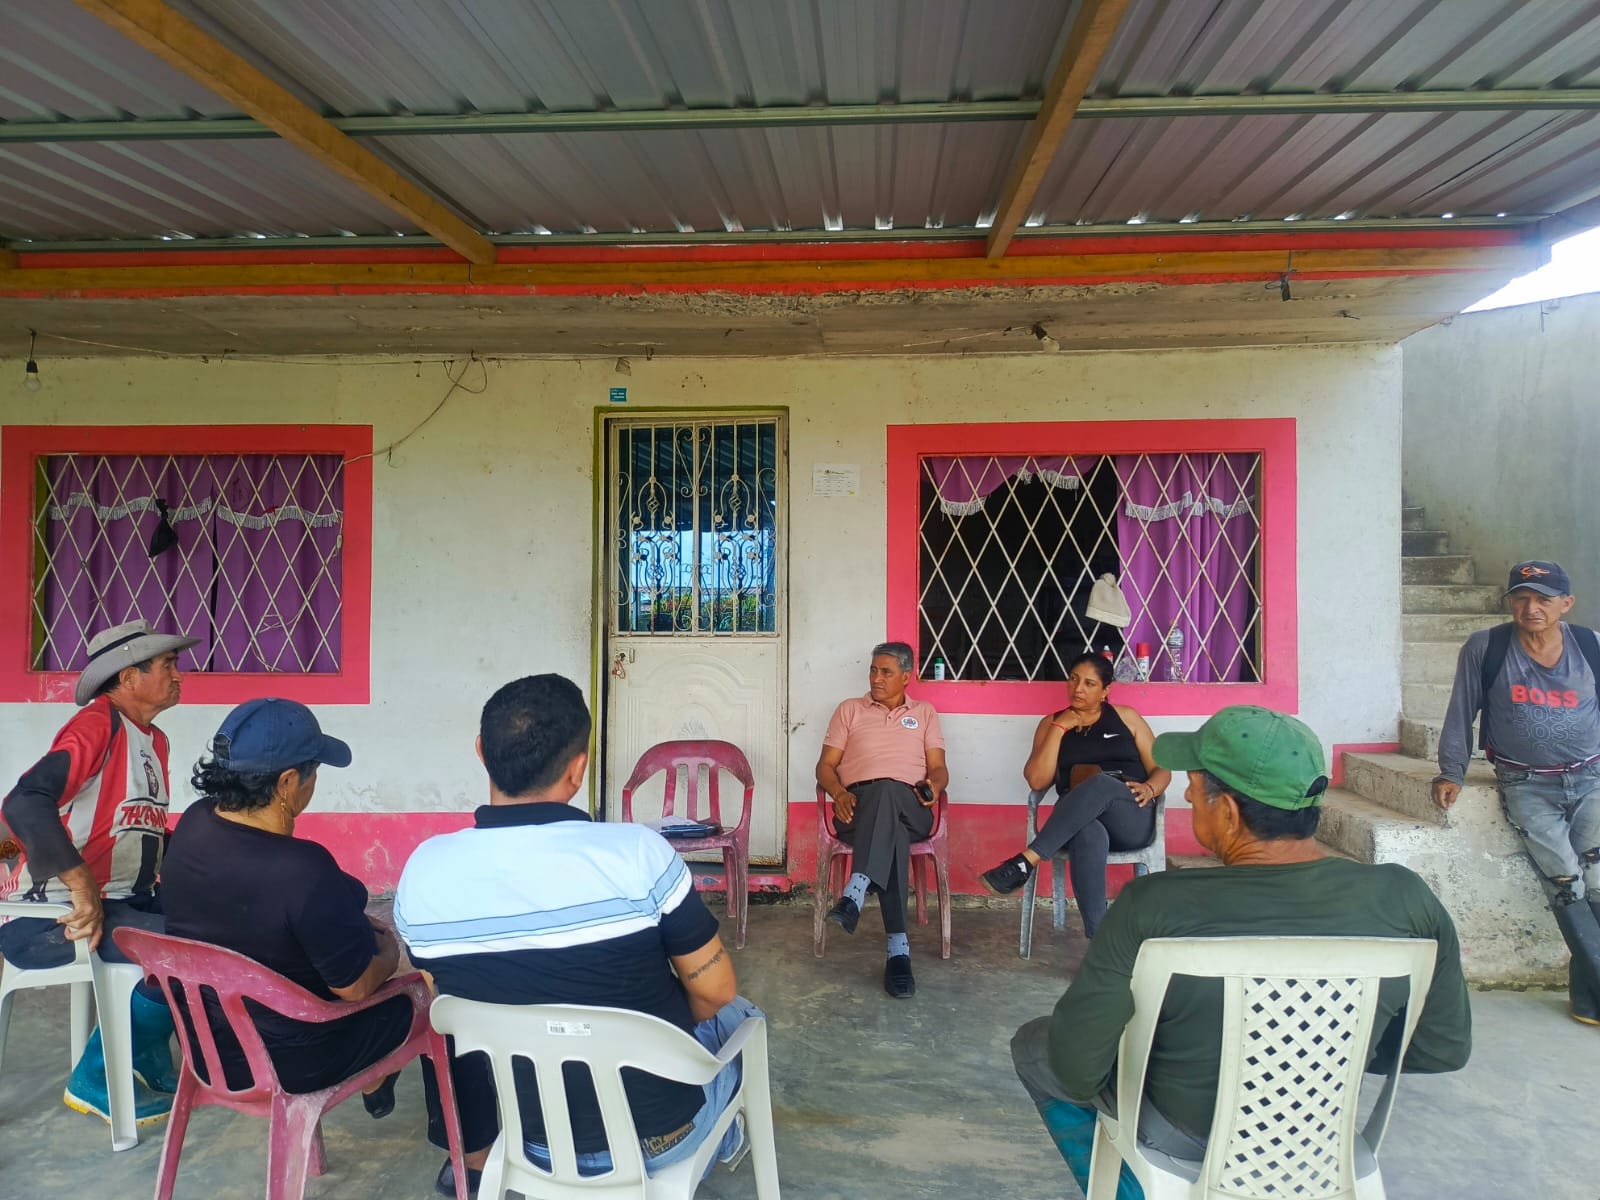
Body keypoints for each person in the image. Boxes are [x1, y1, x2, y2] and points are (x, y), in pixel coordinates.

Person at [1011, 706, 1471, 1194]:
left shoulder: (1153, 904)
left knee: (1034, 1045)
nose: (1188, 795)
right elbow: (1441, 1049)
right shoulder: (1406, 898)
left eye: (1195, 786)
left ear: (1228, 813)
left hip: (1183, 1135)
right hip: (1322, 1136)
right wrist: (1309, 1058)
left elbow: (1077, 1071)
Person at [395, 675, 760, 1199]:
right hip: (661, 1140)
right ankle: (723, 1135)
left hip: (530, 1142)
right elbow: (714, 991)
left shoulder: (424, 873)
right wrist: (640, 1029)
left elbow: (446, 998)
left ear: (481, 752)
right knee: (742, 1017)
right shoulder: (638, 855)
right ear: (578, 769)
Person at [159, 698, 411, 1115]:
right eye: (314, 772)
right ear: (288, 781)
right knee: (416, 997)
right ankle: (378, 1079)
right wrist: (390, 955)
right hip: (292, 1063)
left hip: (208, 1051)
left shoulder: (194, 822)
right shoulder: (303, 869)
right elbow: (355, 988)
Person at [0, 619, 198, 1124]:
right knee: (187, 950)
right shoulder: (97, 725)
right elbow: (24, 802)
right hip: (52, 918)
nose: (179, 675)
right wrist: (81, 884)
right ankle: (95, 1076)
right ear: (129, 677)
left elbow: (136, 829)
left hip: (125, 902)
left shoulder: (154, 741)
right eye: (168, 665)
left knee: (215, 923)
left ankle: (145, 1056)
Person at [1432, 559, 1600, 1027]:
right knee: (1564, 879)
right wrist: (1451, 771)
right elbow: (1461, 709)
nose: (1531, 608)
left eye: (1543, 599)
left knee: (1597, 882)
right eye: (1521, 598)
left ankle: (1588, 999)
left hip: (1592, 778)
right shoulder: (1486, 647)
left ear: (1566, 603)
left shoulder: (1590, 645)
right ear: (1509, 602)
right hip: (1526, 784)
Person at [978, 651, 1169, 936]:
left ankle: (1027, 860)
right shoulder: (1051, 723)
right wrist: (1059, 728)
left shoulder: (1126, 718)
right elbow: (1037, 781)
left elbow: (1162, 768)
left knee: (1101, 783)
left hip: (1129, 814)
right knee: (1087, 833)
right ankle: (1100, 940)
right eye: (1073, 679)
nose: (1078, 688)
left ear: (1105, 690)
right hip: (1077, 819)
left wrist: (1150, 787)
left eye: (1089, 683)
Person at [816, 641, 949, 999]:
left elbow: (939, 769)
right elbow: (825, 767)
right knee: (894, 836)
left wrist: (934, 786)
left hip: (911, 806)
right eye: (873, 670)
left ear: (906, 677)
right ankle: (898, 953)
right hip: (855, 808)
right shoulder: (849, 710)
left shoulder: (924, 713)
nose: (876, 678)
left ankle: (856, 890)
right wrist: (838, 793)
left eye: (886, 672)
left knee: (889, 790)